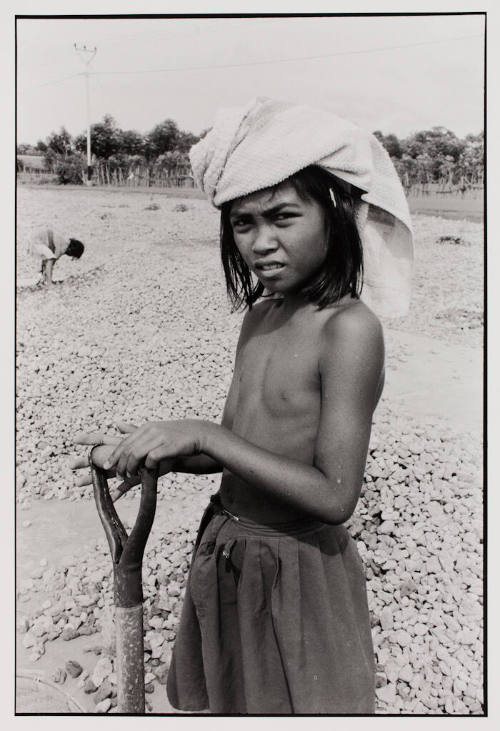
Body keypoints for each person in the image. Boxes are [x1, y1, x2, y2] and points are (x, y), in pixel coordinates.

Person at [71, 98, 413, 714]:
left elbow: (336, 496)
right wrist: (164, 449)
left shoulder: (349, 330)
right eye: (242, 223)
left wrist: (203, 434)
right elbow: (241, 445)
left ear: (336, 216)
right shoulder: (259, 315)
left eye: (282, 217)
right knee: (237, 701)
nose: (261, 243)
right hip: (229, 547)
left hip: (299, 566)